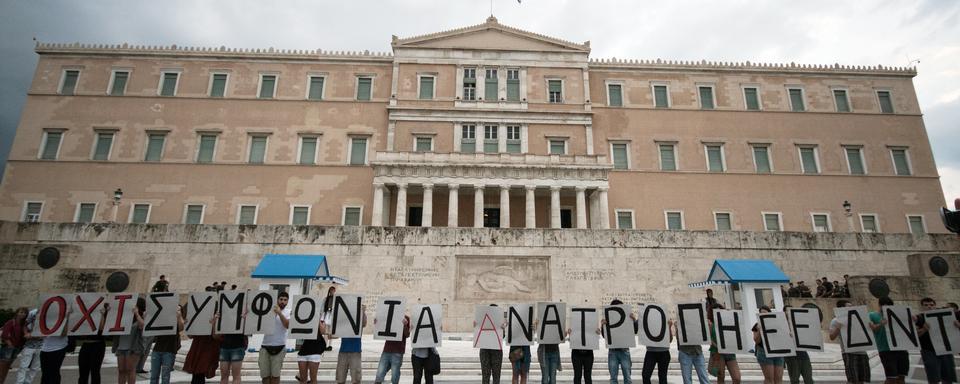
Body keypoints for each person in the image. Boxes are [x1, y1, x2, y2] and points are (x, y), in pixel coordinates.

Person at [916, 297, 957, 384]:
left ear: (935, 306)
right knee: (933, 378)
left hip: (945, 350)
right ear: (921, 307)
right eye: (926, 305)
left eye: (931, 305)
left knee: (948, 378)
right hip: (929, 351)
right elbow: (915, 336)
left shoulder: (946, 316)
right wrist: (923, 329)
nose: (929, 307)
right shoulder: (919, 318)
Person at [829, 300, 868, 384]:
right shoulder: (836, 321)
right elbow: (831, 337)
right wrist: (838, 327)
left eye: (852, 306)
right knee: (852, 380)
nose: (851, 308)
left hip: (862, 352)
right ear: (841, 309)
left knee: (862, 380)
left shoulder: (858, 319)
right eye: (849, 306)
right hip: (849, 353)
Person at [870, 297, 907, 384]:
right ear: (879, 305)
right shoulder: (872, 315)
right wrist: (881, 324)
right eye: (884, 305)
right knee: (891, 378)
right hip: (886, 349)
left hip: (901, 348)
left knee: (901, 377)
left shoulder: (897, 315)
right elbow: (872, 329)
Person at [260, 292, 290, 384]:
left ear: (287, 301)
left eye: (285, 300)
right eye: (281, 299)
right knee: (265, 375)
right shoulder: (269, 310)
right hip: (265, 345)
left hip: (279, 346)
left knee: (276, 376)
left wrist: (280, 313)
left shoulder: (289, 311)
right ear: (277, 300)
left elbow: (287, 325)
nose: (283, 302)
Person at [114, 297, 147, 384]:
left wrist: (136, 314)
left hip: (133, 348)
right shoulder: (123, 316)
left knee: (130, 370)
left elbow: (142, 326)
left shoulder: (141, 316)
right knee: (121, 370)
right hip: (121, 346)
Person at [604, 299, 637, 384]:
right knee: (613, 378)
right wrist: (603, 325)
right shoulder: (608, 319)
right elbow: (605, 336)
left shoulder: (627, 318)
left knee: (627, 378)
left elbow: (635, 331)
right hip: (613, 352)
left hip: (624, 351)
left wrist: (634, 321)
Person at [75, 303, 109, 384]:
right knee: (83, 372)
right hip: (86, 345)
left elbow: (101, 329)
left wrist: (102, 315)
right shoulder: (86, 313)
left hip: (97, 345)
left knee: (95, 372)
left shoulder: (104, 312)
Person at [150, 305, 184, 384]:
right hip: (157, 349)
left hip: (169, 350)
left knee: (165, 376)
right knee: (154, 376)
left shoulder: (178, 319)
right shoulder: (162, 318)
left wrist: (179, 316)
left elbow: (181, 328)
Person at [182, 314, 221, 384]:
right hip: (197, 347)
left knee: (200, 373)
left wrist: (214, 324)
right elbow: (190, 335)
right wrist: (187, 325)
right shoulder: (198, 315)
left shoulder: (216, 315)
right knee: (196, 376)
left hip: (208, 347)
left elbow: (216, 336)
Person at [374, 314, 410, 384]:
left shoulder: (406, 318)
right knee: (379, 374)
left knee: (394, 376)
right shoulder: (387, 316)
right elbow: (381, 329)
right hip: (387, 349)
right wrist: (377, 323)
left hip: (398, 351)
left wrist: (405, 325)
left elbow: (407, 335)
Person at [708, 304, 739, 384]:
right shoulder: (710, 323)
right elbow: (709, 339)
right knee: (721, 376)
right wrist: (718, 346)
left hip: (729, 351)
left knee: (737, 378)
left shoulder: (727, 320)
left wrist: (730, 313)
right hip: (718, 352)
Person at [781, 306, 813, 384]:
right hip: (791, 357)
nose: (790, 312)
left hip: (803, 355)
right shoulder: (782, 325)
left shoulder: (799, 322)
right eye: (788, 310)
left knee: (809, 379)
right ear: (784, 313)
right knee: (794, 380)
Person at [336, 305, 366, 384]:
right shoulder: (344, 320)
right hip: (343, 351)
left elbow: (364, 323)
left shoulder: (359, 318)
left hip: (355, 351)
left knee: (356, 379)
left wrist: (362, 312)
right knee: (340, 379)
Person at [214, 310, 247, 384]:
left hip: (237, 346)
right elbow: (215, 336)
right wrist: (215, 322)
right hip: (224, 347)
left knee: (236, 376)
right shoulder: (222, 312)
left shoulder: (242, 311)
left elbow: (248, 332)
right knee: (224, 377)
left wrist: (245, 321)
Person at [754, 306, 784, 384]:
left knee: (779, 379)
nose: (763, 315)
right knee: (769, 379)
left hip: (777, 352)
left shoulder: (777, 323)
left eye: (765, 313)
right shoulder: (757, 325)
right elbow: (756, 341)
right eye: (761, 313)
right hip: (764, 352)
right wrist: (760, 330)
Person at [474, 305, 503, 384]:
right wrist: (476, 326)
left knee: (496, 375)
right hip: (485, 349)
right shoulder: (483, 320)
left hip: (496, 350)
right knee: (486, 375)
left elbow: (503, 336)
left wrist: (503, 328)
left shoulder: (500, 322)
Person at [641, 318, 674, 384]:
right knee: (645, 375)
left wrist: (669, 327)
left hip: (664, 352)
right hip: (651, 352)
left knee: (662, 377)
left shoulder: (665, 318)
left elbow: (670, 340)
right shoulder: (649, 319)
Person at [1, 307, 28, 384]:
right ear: (17, 313)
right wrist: (10, 344)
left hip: (17, 348)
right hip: (8, 348)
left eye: (25, 313)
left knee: (7, 367)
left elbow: (25, 333)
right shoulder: (11, 322)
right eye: (21, 312)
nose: (23, 314)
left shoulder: (24, 323)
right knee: (3, 368)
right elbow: (4, 335)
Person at [297, 315, 328, 384]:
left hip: (315, 349)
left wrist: (318, 319)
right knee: (302, 379)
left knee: (313, 379)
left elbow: (323, 331)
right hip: (304, 349)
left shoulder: (322, 317)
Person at [17, 309, 42, 384]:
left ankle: (28, 382)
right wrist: (26, 333)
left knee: (35, 367)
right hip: (29, 345)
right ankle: (19, 382)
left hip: (42, 346)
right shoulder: (33, 312)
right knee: (23, 366)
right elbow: (24, 324)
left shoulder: (52, 311)